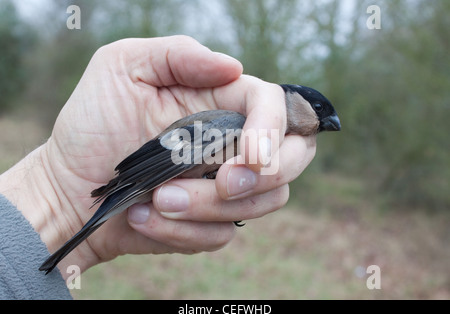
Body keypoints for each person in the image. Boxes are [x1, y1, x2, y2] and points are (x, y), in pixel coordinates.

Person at [0, 36, 316, 299]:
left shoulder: (246, 128)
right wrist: (57, 191)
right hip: (139, 176)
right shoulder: (233, 122)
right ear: (292, 100)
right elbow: (167, 154)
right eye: (318, 110)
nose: (328, 122)